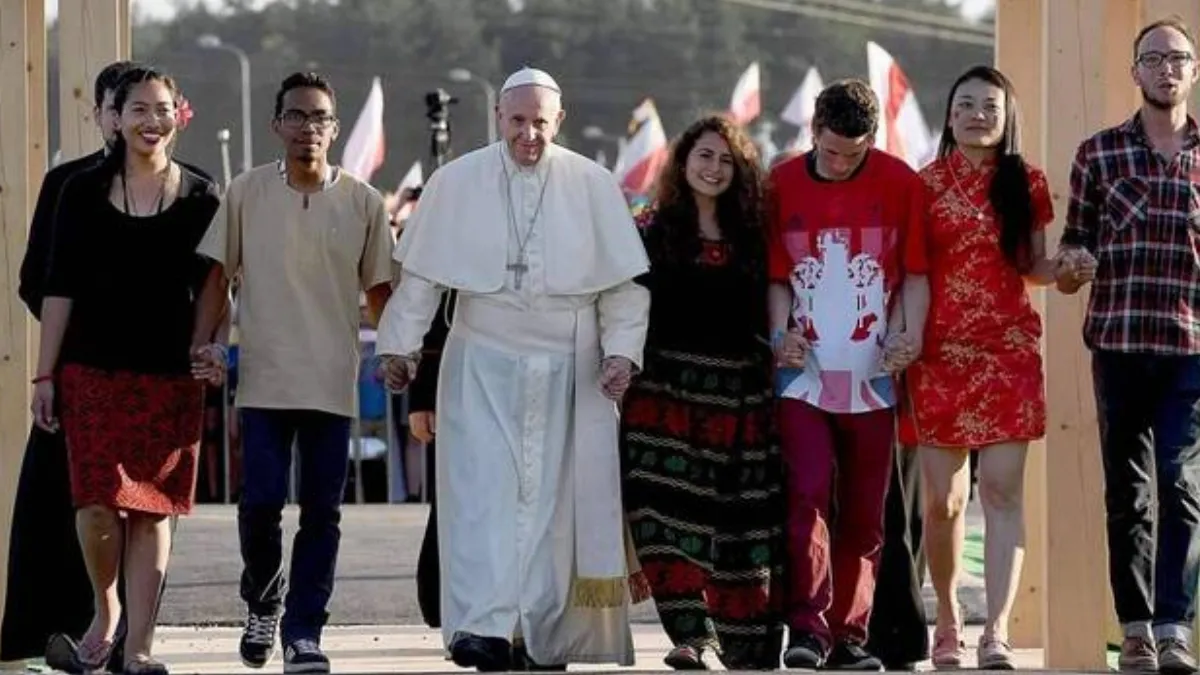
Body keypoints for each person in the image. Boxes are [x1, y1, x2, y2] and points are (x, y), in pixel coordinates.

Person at [376, 67, 650, 672]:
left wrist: (620, 354)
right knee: (483, 500)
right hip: (482, 364)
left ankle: (540, 632)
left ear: (560, 121)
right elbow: (421, 280)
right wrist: (398, 348)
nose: (529, 135)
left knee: (553, 508)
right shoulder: (456, 183)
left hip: (569, 368)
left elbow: (624, 290)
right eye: (518, 121)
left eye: (541, 123)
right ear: (499, 117)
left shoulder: (594, 184)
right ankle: (483, 628)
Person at [190, 71, 396, 674]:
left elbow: (382, 292)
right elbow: (215, 278)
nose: (309, 127)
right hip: (263, 380)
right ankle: (263, 602)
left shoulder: (364, 201)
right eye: (298, 116)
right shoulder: (246, 193)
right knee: (258, 504)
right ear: (278, 124)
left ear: (335, 128)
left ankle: (304, 631)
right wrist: (206, 345)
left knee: (322, 514)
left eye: (321, 118)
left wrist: (396, 351)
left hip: (332, 383)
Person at [29, 65, 220, 675]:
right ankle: (105, 608)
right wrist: (43, 376)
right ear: (117, 117)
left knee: (152, 508)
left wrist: (204, 345)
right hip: (90, 371)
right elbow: (57, 288)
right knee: (96, 504)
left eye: (162, 108)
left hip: (167, 375)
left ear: (178, 115)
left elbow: (215, 283)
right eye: (139, 109)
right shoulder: (79, 190)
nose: (151, 121)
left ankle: (139, 646)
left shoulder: (202, 194)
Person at [765, 78, 930, 671]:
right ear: (812, 132)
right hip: (803, 375)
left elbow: (914, 273)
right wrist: (781, 333)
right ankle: (806, 630)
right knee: (807, 495)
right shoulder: (780, 183)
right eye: (830, 150)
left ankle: (850, 636)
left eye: (853, 154)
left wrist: (910, 335)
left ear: (872, 142)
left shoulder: (901, 183)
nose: (838, 164)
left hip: (874, 376)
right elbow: (777, 276)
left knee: (865, 512)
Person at [900, 65, 1058, 670]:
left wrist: (1066, 267)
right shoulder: (925, 186)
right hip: (940, 356)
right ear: (948, 115)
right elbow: (914, 272)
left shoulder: (1028, 182)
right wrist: (908, 336)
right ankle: (946, 612)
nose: (977, 114)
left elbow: (1034, 267)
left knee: (1002, 491)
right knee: (941, 501)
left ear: (1006, 115)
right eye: (965, 104)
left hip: (1008, 351)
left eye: (990, 106)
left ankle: (996, 629)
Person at [1056, 16, 1200, 675]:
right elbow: (1073, 244)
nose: (1166, 69)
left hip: (1190, 348)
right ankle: (1136, 630)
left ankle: (1175, 628)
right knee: (1130, 492)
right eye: (1153, 58)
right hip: (1116, 342)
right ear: (1134, 72)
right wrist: (1073, 264)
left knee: (1181, 481)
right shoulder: (1099, 153)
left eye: (1178, 58)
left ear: (1193, 71)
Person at [619, 115, 785, 671]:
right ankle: (692, 637)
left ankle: (744, 645)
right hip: (661, 400)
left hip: (740, 402)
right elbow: (623, 308)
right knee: (661, 518)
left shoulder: (755, 236)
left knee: (740, 531)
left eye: (725, 160)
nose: (714, 168)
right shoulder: (649, 229)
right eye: (704, 156)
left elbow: (775, 310)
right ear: (683, 163)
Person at [3, 59, 132, 672]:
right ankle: (39, 631)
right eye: (116, 108)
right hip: (77, 371)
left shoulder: (187, 185)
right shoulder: (67, 183)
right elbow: (38, 280)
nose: (128, 121)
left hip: (146, 375)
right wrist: (61, 355)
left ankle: (126, 633)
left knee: (138, 507)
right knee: (52, 503)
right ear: (101, 114)